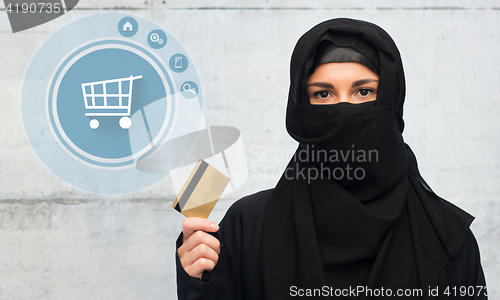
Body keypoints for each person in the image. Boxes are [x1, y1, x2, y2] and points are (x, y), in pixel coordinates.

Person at [175, 18, 487, 299]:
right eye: (323, 94)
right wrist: (197, 280)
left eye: (364, 92)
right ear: (301, 109)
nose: (345, 110)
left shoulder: (447, 239)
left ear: (392, 98)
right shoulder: (247, 227)